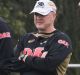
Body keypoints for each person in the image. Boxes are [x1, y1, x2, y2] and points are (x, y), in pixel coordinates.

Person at [1, 0, 72, 75]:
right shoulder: (26, 38)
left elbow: (48, 65)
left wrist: (24, 57)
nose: (38, 17)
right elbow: (11, 64)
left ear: (54, 15)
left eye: (42, 14)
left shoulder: (61, 39)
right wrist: (39, 62)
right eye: (36, 14)